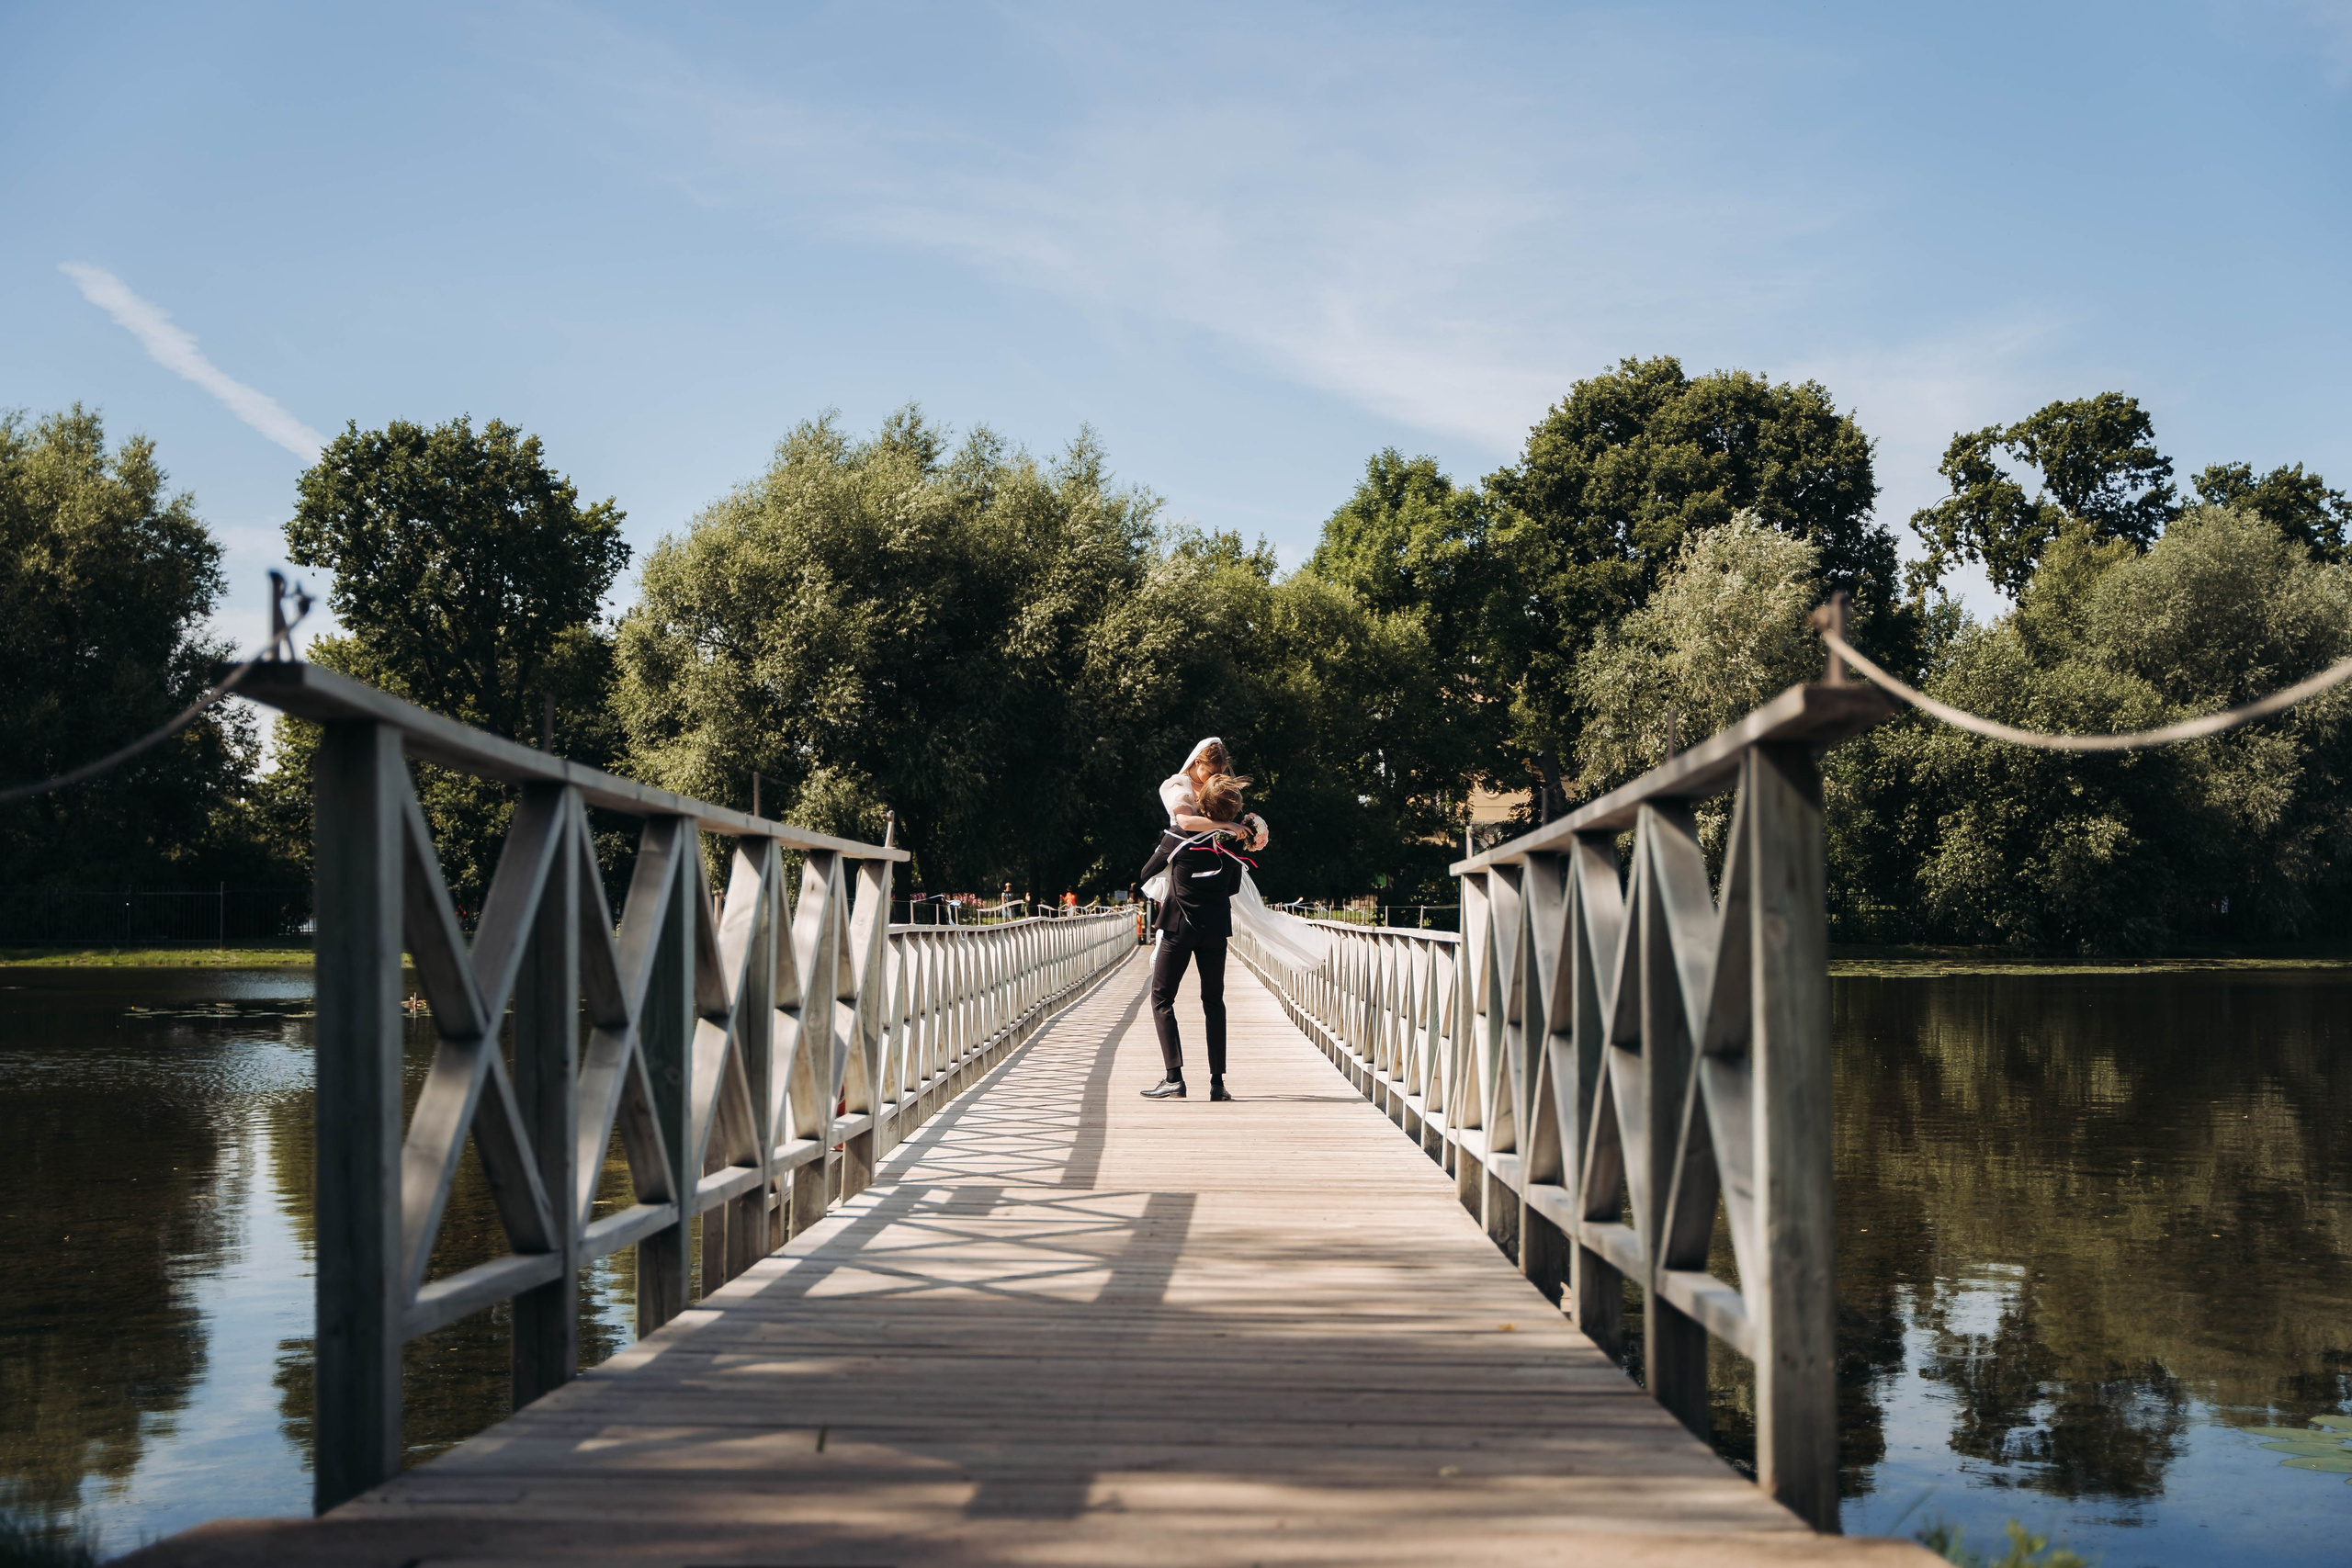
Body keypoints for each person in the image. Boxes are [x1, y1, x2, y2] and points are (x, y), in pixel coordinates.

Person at [1136, 771, 1255, 1101]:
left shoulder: (1179, 835)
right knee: (1214, 1002)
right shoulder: (1232, 842)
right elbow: (1233, 887)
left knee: (1162, 999)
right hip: (1215, 929)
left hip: (1179, 927)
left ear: (1202, 802)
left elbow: (1146, 873)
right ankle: (1217, 1083)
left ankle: (1174, 1078)